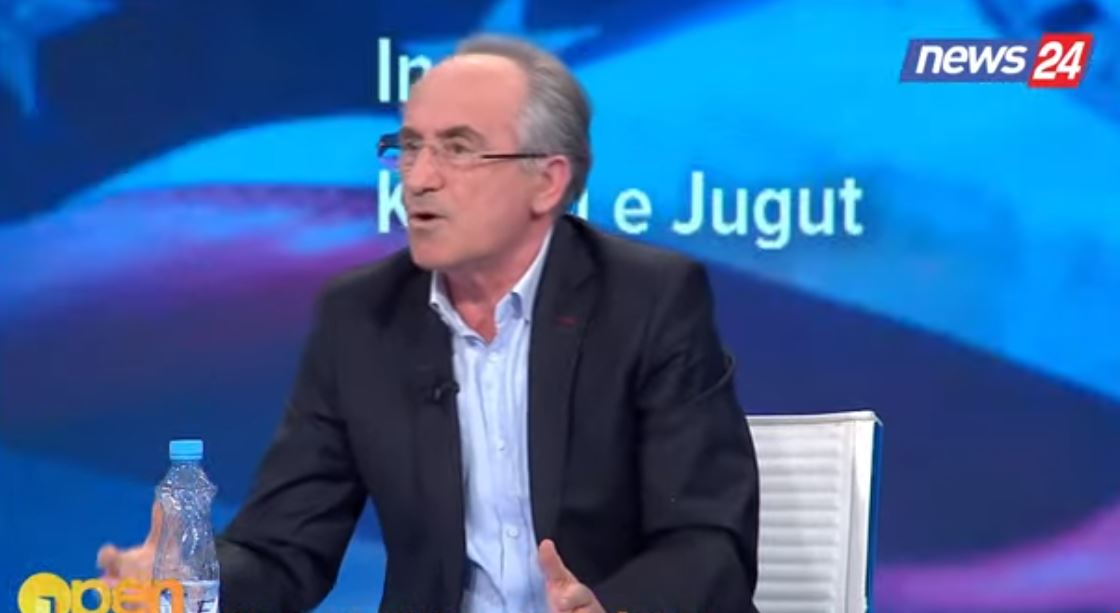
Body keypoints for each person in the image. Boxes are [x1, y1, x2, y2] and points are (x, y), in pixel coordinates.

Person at [97, 34, 760, 613]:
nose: (417, 178)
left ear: (547, 181)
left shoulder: (648, 300)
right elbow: (284, 547)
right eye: (408, 148)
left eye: (457, 149)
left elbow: (708, 541)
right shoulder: (362, 317)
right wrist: (191, 584)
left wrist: (612, 606)